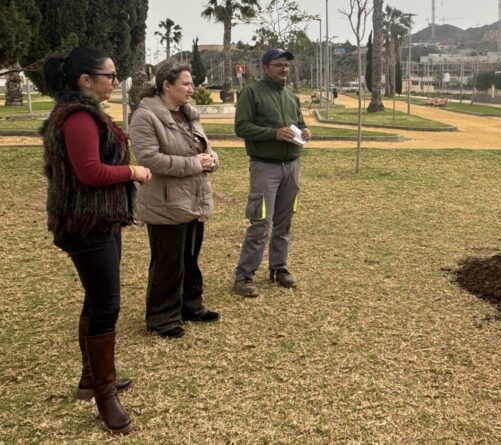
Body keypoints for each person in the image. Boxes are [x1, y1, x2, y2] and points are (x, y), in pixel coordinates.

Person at [41, 47, 151, 435]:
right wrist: (133, 170)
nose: (115, 82)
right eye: (109, 76)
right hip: (85, 224)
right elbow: (89, 172)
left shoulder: (83, 113)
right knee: (107, 305)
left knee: (95, 298)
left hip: (99, 220)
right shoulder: (78, 118)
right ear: (84, 80)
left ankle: (91, 377)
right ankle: (105, 395)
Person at [130, 65, 220, 339]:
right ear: (166, 85)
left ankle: (190, 306)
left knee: (190, 258)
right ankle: (161, 318)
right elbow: (149, 158)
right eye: (186, 84)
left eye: (192, 84)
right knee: (167, 262)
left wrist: (212, 160)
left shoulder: (188, 115)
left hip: (194, 199)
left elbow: (204, 148)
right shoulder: (145, 117)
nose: (192, 89)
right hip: (165, 203)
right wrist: (194, 164)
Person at [233, 48, 312, 297]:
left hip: (291, 166)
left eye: (286, 65)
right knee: (261, 223)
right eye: (278, 65)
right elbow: (242, 127)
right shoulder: (252, 93)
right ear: (266, 67)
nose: (284, 70)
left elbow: (299, 124)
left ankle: (279, 268)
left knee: (284, 221)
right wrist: (273, 133)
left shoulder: (291, 97)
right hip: (264, 167)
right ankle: (244, 276)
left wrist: (305, 131)